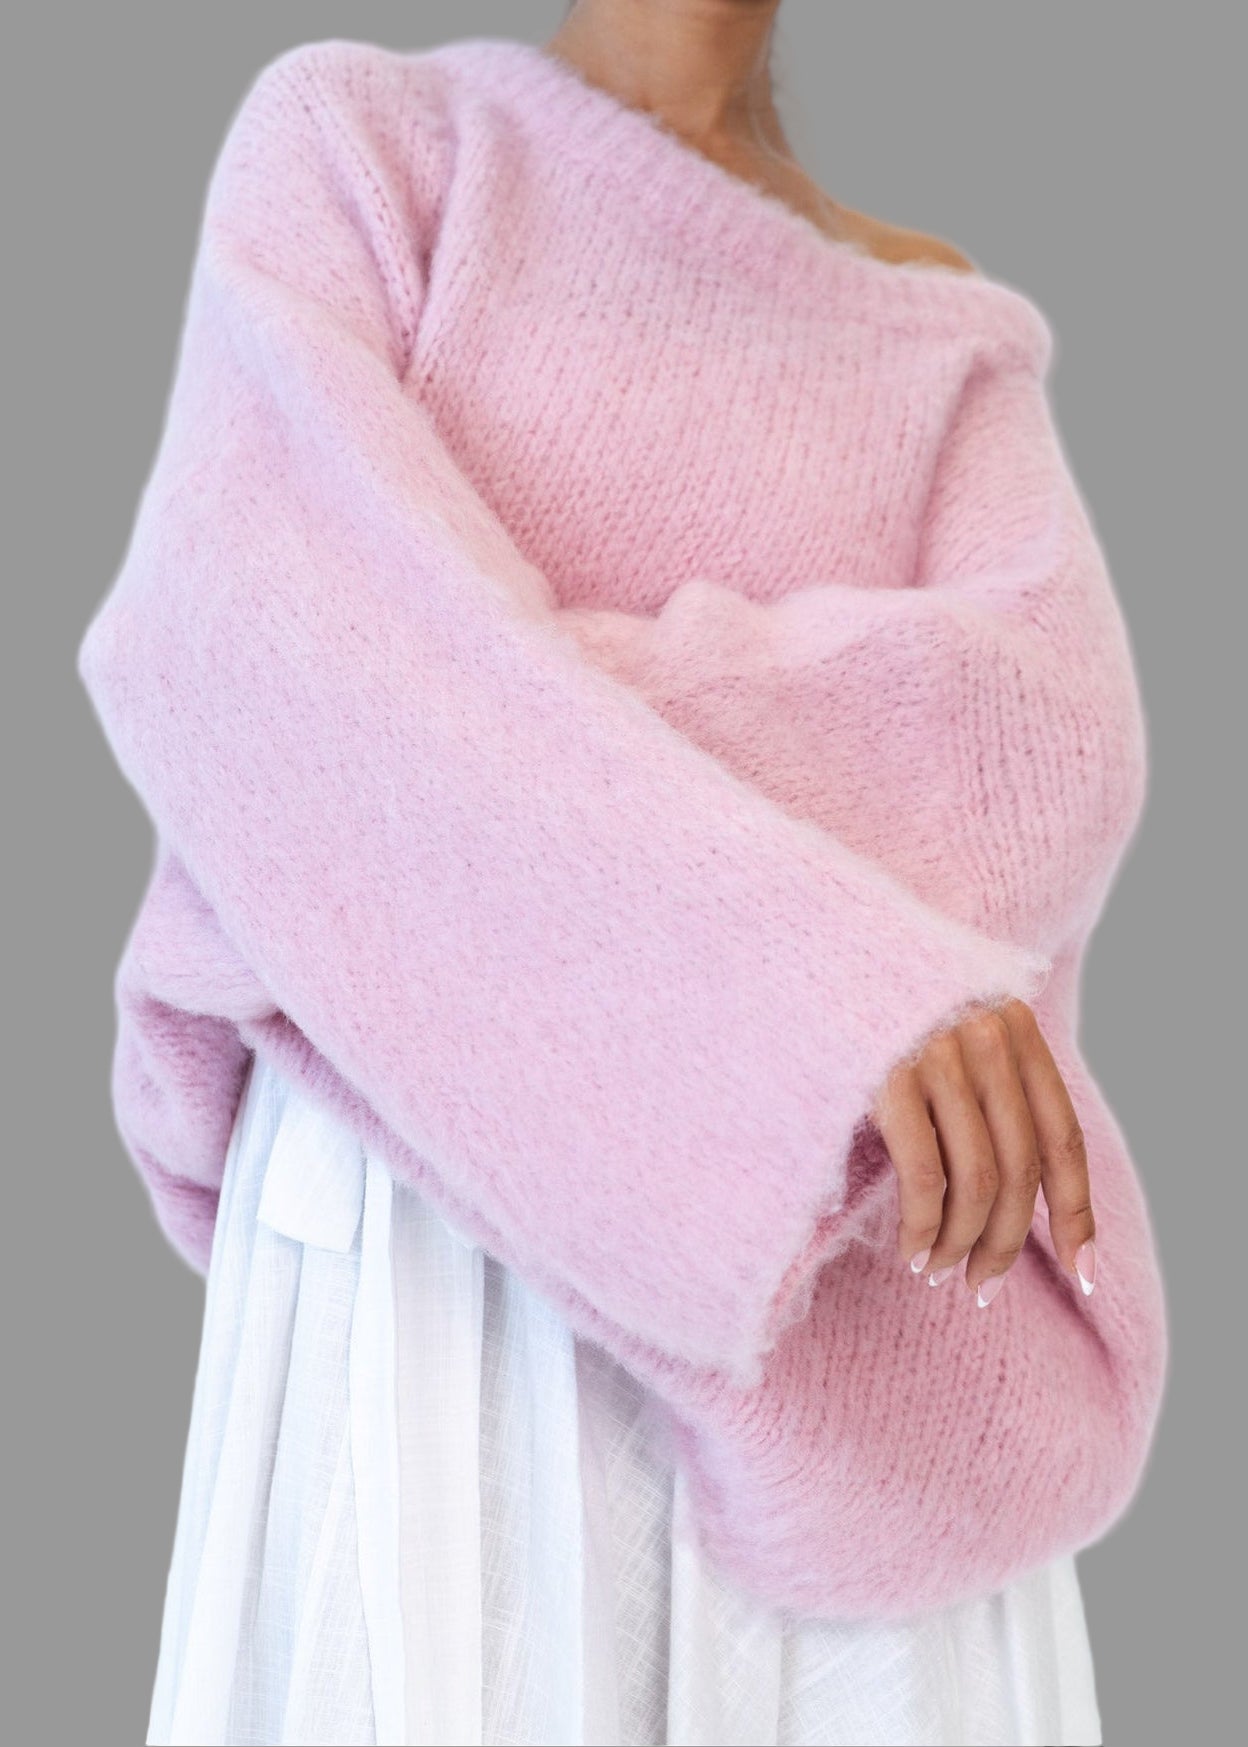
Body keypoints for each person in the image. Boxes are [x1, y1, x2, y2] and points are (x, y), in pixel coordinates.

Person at [84, 2, 1158, 1741]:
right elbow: (251, 651)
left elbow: (1045, 756)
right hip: (437, 1261)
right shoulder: (372, 152)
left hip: (854, 1308)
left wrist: (465, 720)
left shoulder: (942, 338)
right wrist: (830, 977)